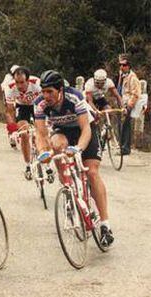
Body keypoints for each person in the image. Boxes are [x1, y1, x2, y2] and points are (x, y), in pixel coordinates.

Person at [34, 70, 114, 247]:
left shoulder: (74, 97)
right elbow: (40, 134)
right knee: (56, 146)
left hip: (85, 130)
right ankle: (69, 192)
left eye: (50, 92)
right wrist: (42, 152)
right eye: (43, 92)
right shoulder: (39, 104)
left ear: (60, 90)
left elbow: (85, 128)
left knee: (92, 172)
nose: (46, 96)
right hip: (62, 131)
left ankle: (105, 224)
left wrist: (78, 148)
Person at [4, 67, 42, 179]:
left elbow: (46, 102)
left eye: (22, 82)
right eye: (17, 82)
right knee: (24, 134)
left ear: (28, 80)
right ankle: (28, 164)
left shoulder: (37, 84)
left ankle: (45, 161)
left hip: (37, 105)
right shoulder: (10, 87)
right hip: (22, 107)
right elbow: (10, 111)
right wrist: (12, 130)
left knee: (40, 131)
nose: (19, 86)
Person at [117, 54, 141, 155]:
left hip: (127, 104)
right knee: (120, 125)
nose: (122, 67)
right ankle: (121, 146)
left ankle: (125, 148)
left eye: (124, 65)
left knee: (125, 125)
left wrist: (129, 106)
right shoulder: (122, 75)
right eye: (120, 65)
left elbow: (135, 93)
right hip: (121, 103)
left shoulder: (132, 77)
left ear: (129, 66)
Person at [1, 65, 20, 147]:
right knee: (10, 113)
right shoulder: (8, 78)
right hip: (9, 96)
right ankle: (12, 133)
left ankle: (15, 132)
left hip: (19, 97)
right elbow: (4, 88)